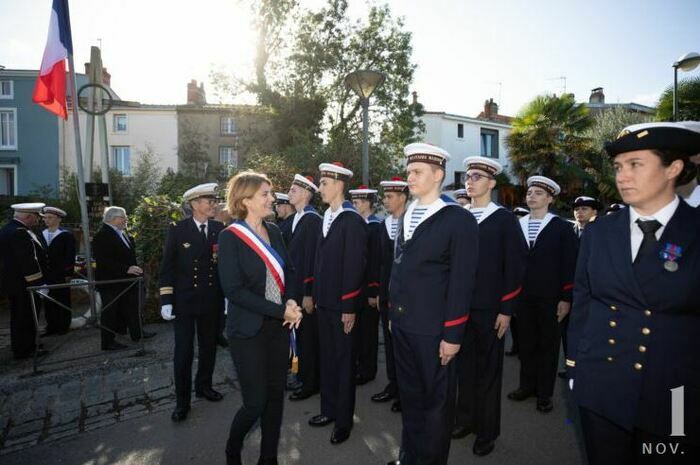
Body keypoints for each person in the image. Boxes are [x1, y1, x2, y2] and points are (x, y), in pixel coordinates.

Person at [567, 122, 700, 464]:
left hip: (675, 395)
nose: (622, 176)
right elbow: (583, 300)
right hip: (602, 385)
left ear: (674, 167)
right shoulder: (599, 232)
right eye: (618, 167)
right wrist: (575, 367)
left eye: (635, 164)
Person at [386, 143, 479, 465]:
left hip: (434, 330)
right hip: (402, 324)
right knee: (411, 398)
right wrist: (392, 313)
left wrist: (452, 335)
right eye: (409, 170)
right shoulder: (407, 213)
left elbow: (463, 281)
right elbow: (399, 267)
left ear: (438, 175)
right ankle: (409, 457)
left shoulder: (457, 219)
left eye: (416, 172)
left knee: (436, 405)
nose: (409, 177)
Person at [218, 171, 303, 465]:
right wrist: (282, 310)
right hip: (247, 332)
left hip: (278, 329)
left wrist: (291, 299)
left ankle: (269, 458)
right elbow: (234, 290)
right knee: (255, 403)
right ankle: (233, 449)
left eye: (271, 193)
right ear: (246, 200)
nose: (272, 198)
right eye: (265, 194)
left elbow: (289, 271)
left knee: (276, 398)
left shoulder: (275, 231)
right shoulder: (230, 237)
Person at [453, 157, 527, 456]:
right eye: (468, 176)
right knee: (464, 370)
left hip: (490, 310)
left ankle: (487, 431)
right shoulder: (460, 216)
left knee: (488, 373)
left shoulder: (504, 219)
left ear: (492, 183)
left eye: (477, 177)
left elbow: (516, 266)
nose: (469, 181)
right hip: (461, 309)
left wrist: (506, 310)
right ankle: (465, 420)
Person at [506, 176, 578, 414]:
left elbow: (570, 265)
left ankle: (544, 394)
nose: (532, 197)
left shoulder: (562, 227)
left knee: (548, 345)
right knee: (526, 343)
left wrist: (566, 298)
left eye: (538, 193)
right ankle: (526, 386)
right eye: (529, 193)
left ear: (549, 198)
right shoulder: (518, 224)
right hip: (523, 297)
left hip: (551, 298)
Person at [308, 162, 367, 445]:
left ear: (339, 185)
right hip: (325, 303)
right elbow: (320, 262)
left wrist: (348, 307)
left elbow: (355, 267)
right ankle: (328, 410)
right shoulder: (326, 216)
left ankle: (344, 421)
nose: (320, 188)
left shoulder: (352, 220)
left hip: (341, 306)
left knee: (344, 363)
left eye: (324, 183)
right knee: (328, 359)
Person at [159, 183, 226, 423]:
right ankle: (182, 402)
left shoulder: (219, 228)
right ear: (195, 204)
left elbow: (223, 268)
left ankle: (204, 386)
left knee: (209, 347)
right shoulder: (178, 229)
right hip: (185, 302)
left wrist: (226, 297)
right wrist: (166, 299)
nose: (214, 205)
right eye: (209, 201)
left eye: (214, 201)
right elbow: (167, 267)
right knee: (184, 353)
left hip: (211, 300)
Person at [370, 177, 409, 414]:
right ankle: (393, 385)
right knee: (390, 342)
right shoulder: (384, 224)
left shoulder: (413, 222)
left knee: (404, 346)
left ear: (403, 198)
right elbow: (379, 262)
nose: (385, 201)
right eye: (384, 197)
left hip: (405, 298)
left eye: (389, 197)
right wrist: (376, 291)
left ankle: (406, 393)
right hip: (386, 295)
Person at [93, 206, 155, 350]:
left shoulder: (122, 233)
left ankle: (137, 333)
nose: (126, 220)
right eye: (123, 217)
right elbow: (104, 261)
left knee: (132, 307)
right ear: (113, 219)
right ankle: (108, 342)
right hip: (111, 282)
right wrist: (126, 269)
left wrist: (134, 268)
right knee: (110, 312)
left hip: (127, 280)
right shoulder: (102, 235)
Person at [286, 174, 323, 402]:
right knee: (299, 336)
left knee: (308, 339)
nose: (289, 192)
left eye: (293, 189)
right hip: (295, 289)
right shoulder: (297, 218)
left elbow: (312, 260)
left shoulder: (311, 220)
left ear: (306, 194)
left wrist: (309, 293)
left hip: (304, 291)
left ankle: (311, 383)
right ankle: (302, 377)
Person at [0, 203, 49, 359]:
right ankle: (25, 349)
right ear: (29, 217)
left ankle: (25, 345)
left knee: (20, 316)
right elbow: (28, 261)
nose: (37, 221)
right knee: (25, 316)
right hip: (25, 285)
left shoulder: (7, 229)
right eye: (35, 217)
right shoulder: (20, 232)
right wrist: (38, 283)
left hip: (14, 283)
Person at [349, 184, 382, 386]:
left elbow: (375, 262)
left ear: (368, 203)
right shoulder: (358, 224)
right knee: (358, 332)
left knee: (368, 332)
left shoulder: (375, 227)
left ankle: (368, 370)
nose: (354, 206)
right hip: (356, 288)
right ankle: (359, 365)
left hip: (367, 289)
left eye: (357, 202)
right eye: (352, 202)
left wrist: (373, 289)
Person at [40, 206, 76, 336]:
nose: (46, 220)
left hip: (60, 273)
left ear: (58, 219)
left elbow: (70, 255)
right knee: (48, 300)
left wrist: (68, 273)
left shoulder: (66, 235)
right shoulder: (41, 234)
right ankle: (51, 326)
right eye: (45, 218)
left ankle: (63, 326)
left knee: (62, 299)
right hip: (46, 274)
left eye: (50, 218)